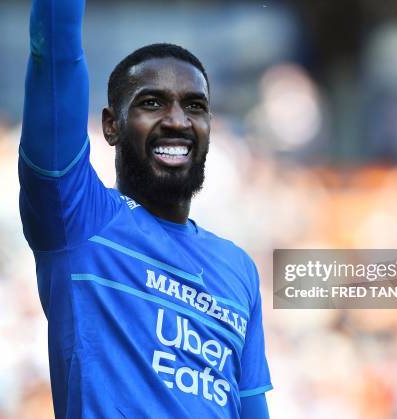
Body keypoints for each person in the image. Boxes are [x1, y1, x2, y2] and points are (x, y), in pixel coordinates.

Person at [18, 0, 272, 417]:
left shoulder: (237, 268)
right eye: (152, 103)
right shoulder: (76, 219)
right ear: (111, 125)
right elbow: (54, 54)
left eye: (195, 106)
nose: (177, 121)